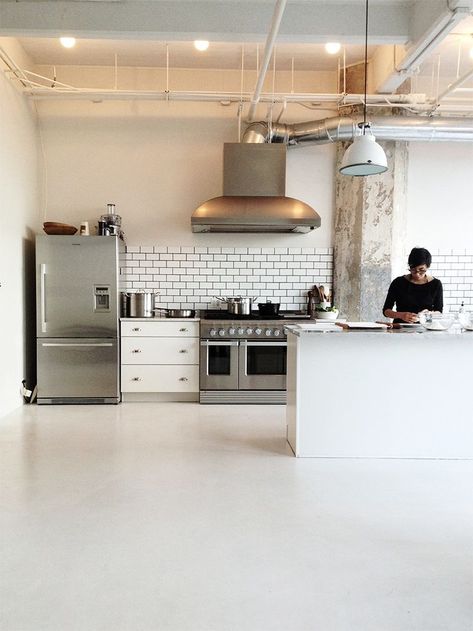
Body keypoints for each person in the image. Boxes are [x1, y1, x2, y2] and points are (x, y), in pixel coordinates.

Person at [383, 247, 443, 323]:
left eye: (421, 270)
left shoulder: (436, 284)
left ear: (428, 266)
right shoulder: (398, 282)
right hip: (401, 328)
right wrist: (401, 315)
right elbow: (386, 311)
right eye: (413, 270)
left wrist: (428, 314)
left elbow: (439, 312)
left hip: (425, 328)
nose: (417, 274)